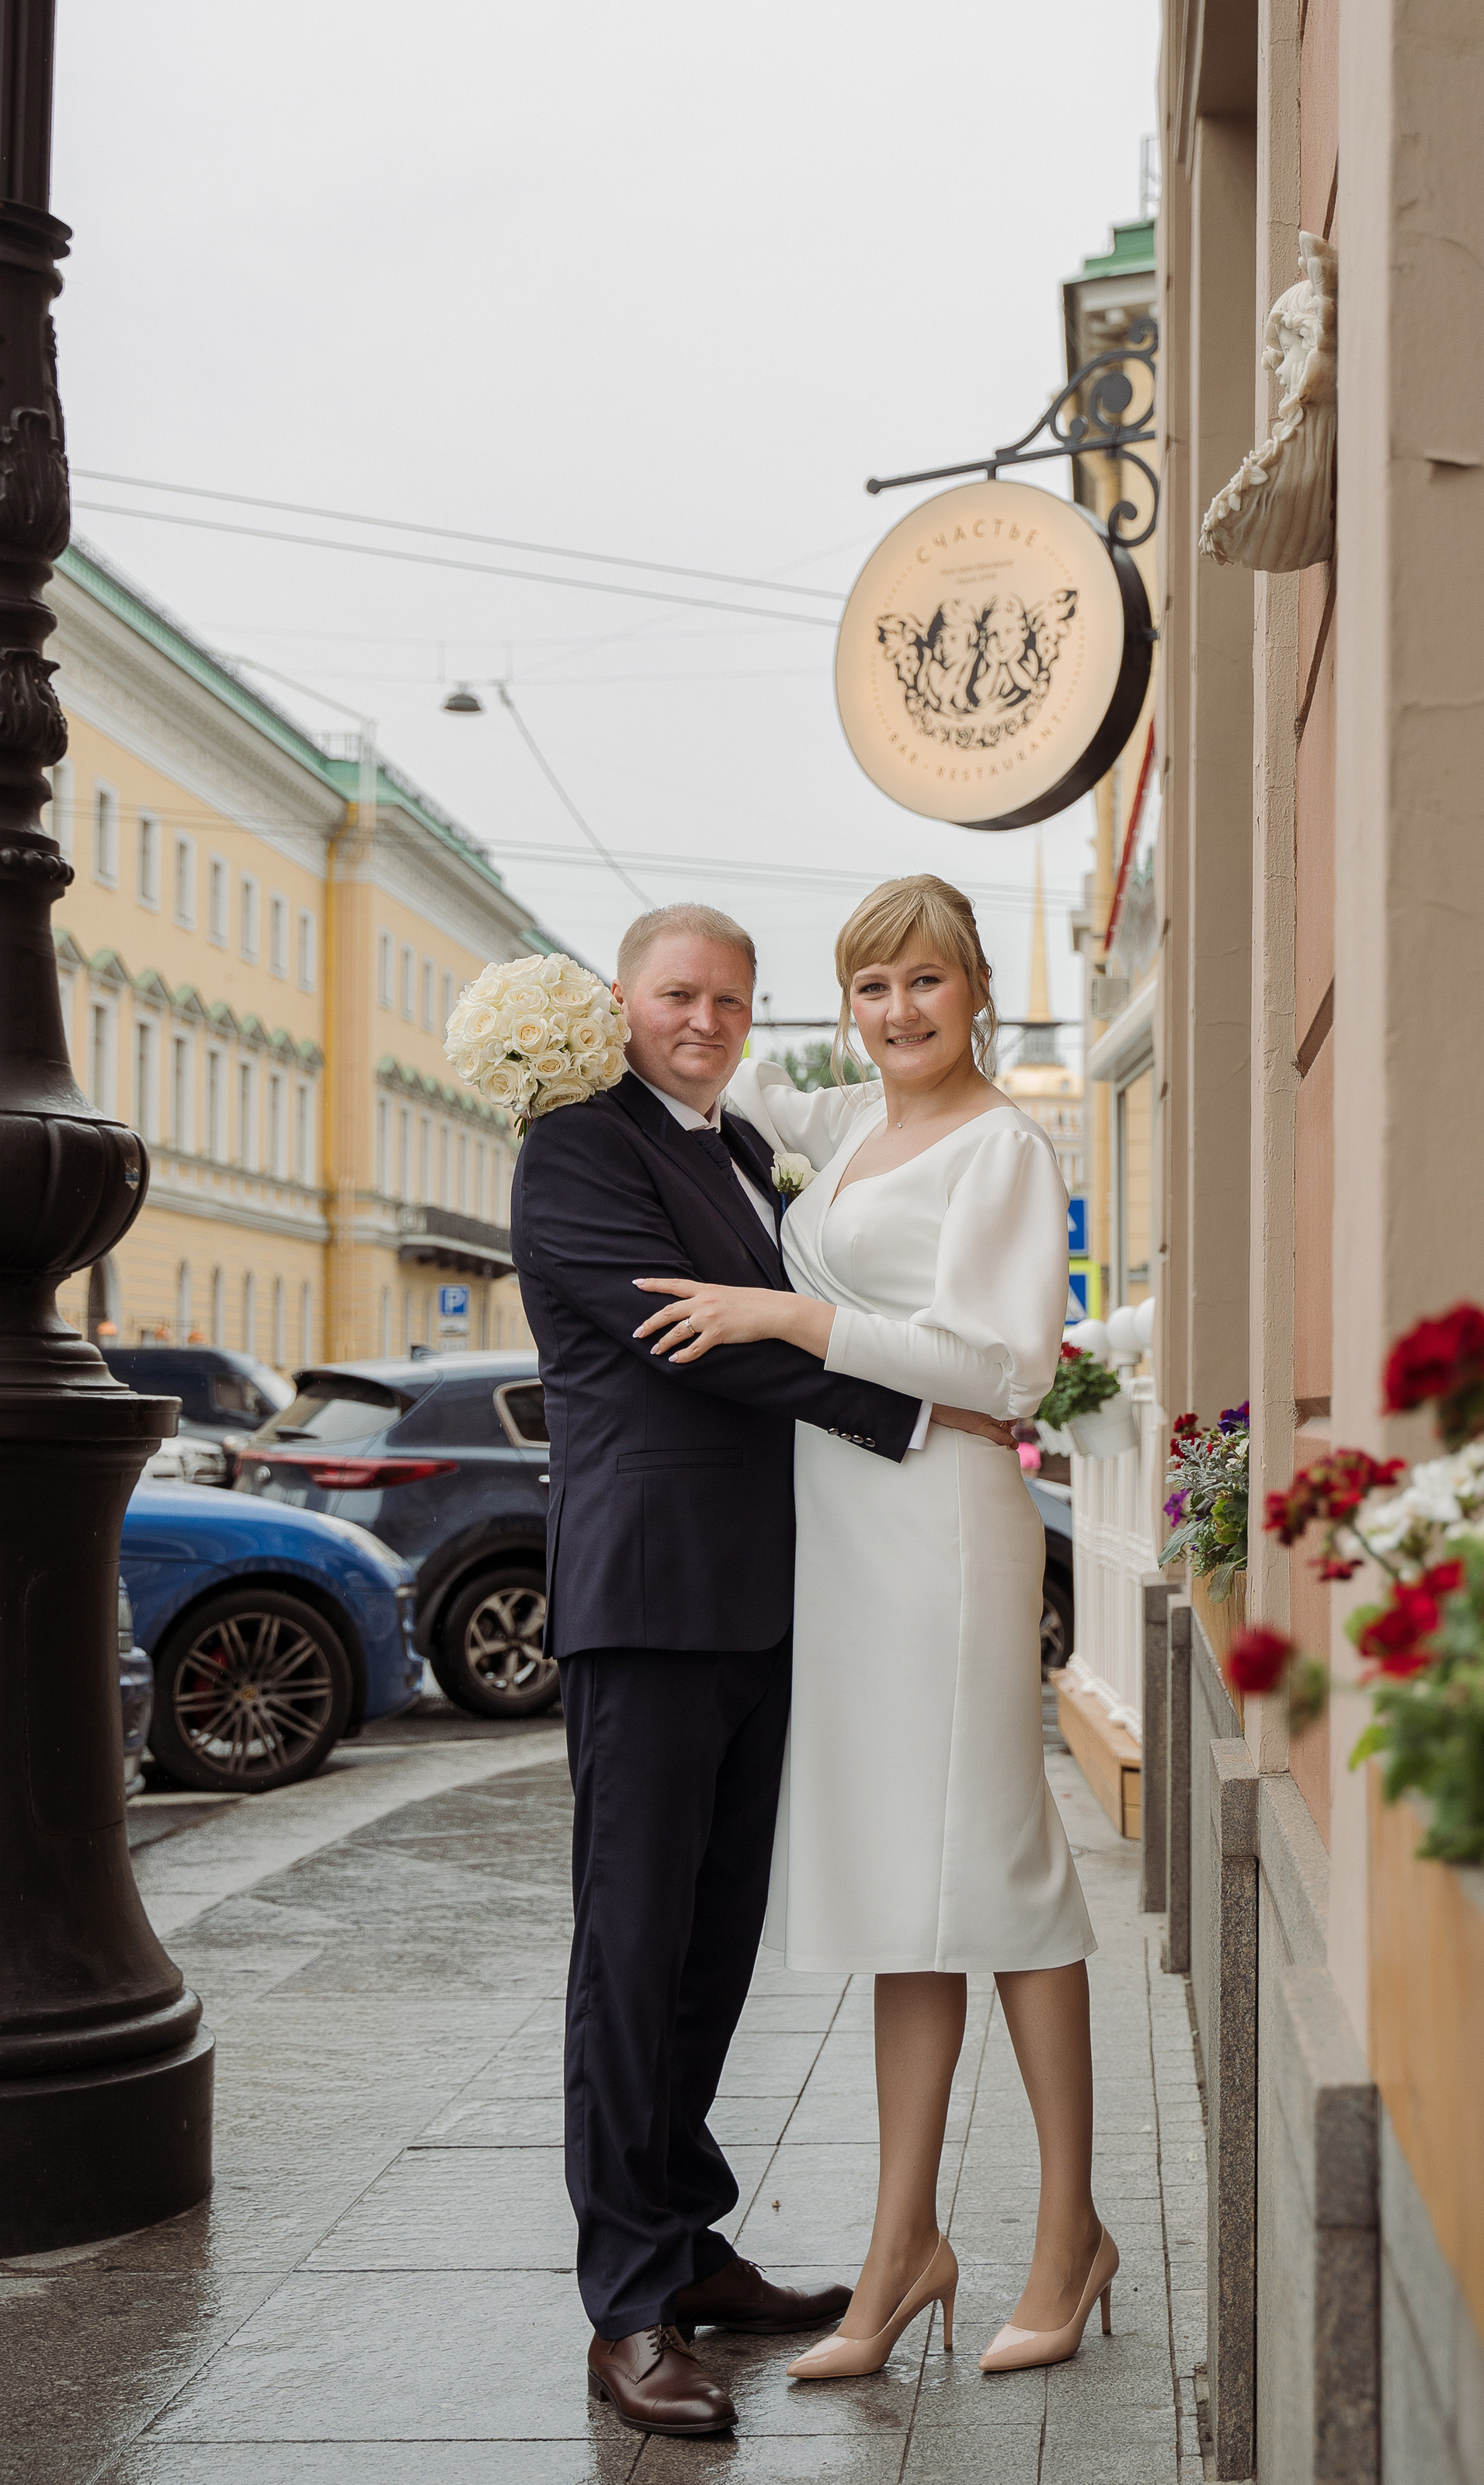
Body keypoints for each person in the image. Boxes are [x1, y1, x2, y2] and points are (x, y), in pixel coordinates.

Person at [509, 904, 1013, 2441]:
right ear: (622, 1001)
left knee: (710, 1951)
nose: (703, 1019)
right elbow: (699, 1342)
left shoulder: (738, 1149)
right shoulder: (577, 1150)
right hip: (648, 1602)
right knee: (631, 1953)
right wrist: (917, 1404)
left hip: (762, 1605)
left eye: (728, 999)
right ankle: (630, 2307)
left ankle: (688, 2233)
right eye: (677, 994)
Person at [634, 873, 1114, 2385]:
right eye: (871, 988)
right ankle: (901, 2251)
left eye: (925, 982)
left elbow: (1011, 1366)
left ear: (974, 988)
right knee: (906, 1902)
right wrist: (630, 1024)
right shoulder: (847, 1132)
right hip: (840, 1532)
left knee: (998, 1879)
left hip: (947, 1533)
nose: (899, 1012)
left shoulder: (1005, 1150)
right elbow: (714, 1065)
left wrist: (790, 1318)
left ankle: (1068, 2236)